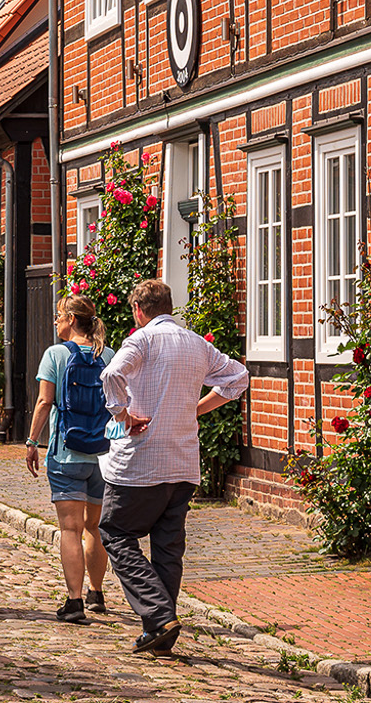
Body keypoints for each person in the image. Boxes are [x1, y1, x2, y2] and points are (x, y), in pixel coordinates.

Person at [98, 278, 248, 655]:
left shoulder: (142, 340)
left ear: (138, 310)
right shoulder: (197, 344)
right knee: (168, 546)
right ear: (169, 306)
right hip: (182, 462)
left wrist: (123, 414)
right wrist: (196, 408)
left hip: (140, 462)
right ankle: (161, 629)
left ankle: (159, 614)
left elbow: (111, 375)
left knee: (115, 533)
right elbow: (238, 378)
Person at [25, 294, 115, 623]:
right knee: (95, 527)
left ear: (73, 320)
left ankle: (74, 602)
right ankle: (97, 594)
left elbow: (44, 403)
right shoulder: (110, 355)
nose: (55, 321)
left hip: (66, 453)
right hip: (103, 454)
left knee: (70, 528)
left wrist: (33, 441)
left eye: (59, 315)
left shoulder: (55, 355)